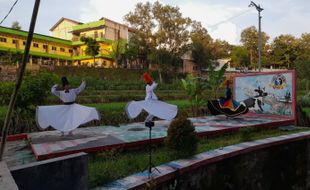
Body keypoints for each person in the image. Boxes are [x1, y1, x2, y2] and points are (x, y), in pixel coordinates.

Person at [36, 77, 100, 136]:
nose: (68, 86)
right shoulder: (60, 93)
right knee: (63, 119)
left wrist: (83, 83)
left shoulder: (73, 91)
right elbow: (53, 91)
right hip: (65, 107)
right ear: (64, 86)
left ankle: (70, 131)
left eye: (68, 85)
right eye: (66, 85)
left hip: (73, 107)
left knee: (71, 119)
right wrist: (55, 86)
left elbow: (80, 88)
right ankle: (62, 131)